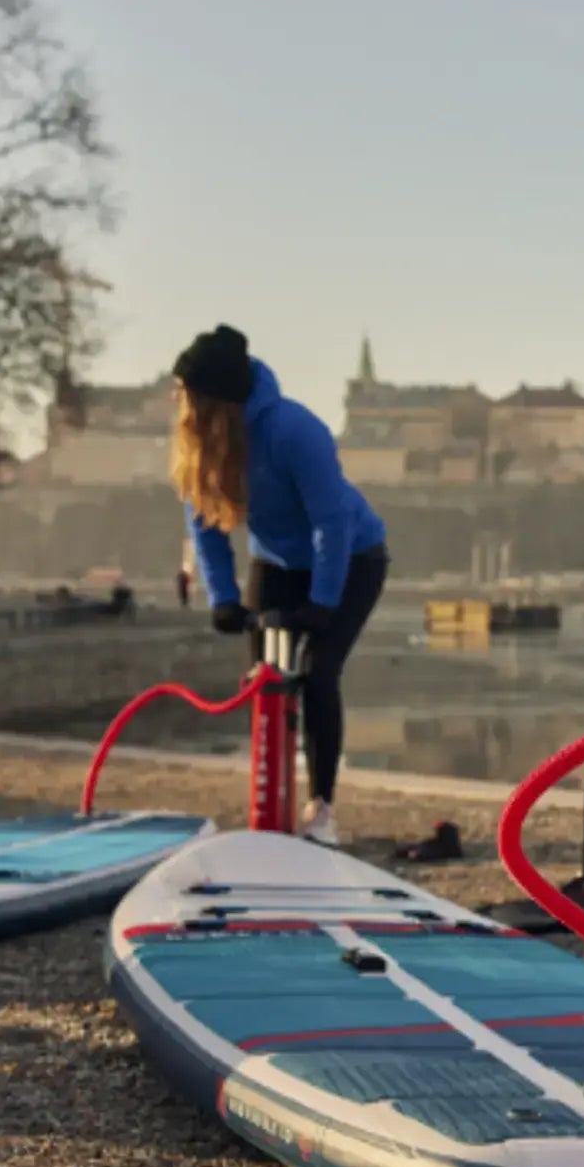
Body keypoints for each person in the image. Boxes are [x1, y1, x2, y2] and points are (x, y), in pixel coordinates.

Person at [168, 324, 389, 848]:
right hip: (276, 564)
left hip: (351, 558)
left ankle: (322, 809)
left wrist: (324, 601)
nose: (183, 411)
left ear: (219, 400)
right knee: (264, 679)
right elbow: (203, 521)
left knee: (317, 674)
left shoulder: (295, 430)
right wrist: (223, 598)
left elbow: (330, 524)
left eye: (192, 398)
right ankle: (271, 802)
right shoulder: (199, 445)